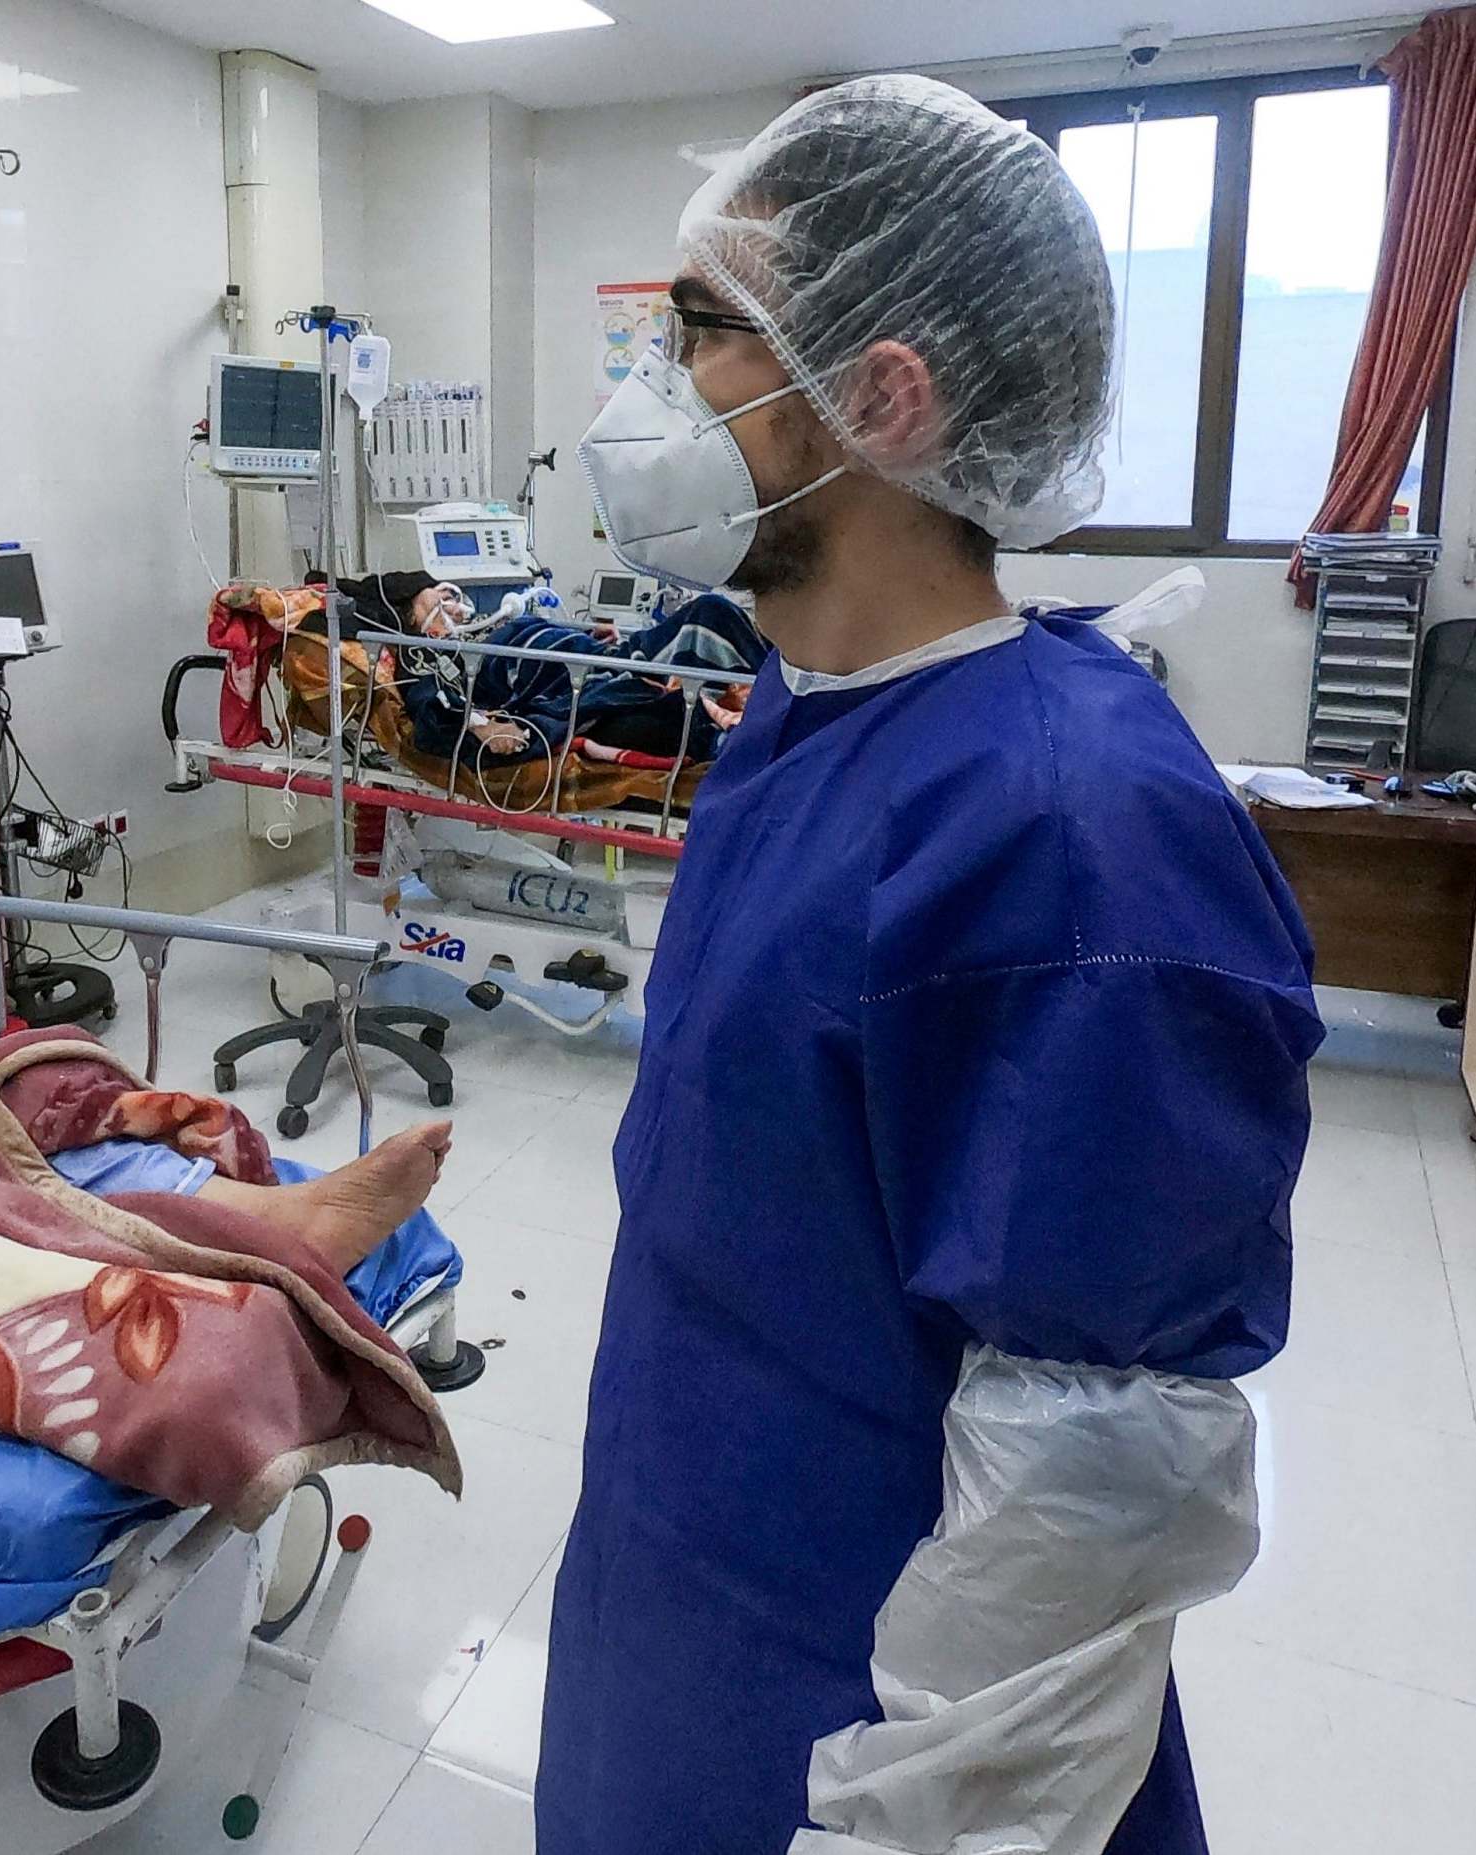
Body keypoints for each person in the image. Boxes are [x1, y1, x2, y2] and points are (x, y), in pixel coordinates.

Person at [543, 75, 1321, 1855]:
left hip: (862, 1721)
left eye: (694, 342)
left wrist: (921, 1826)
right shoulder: (797, 713)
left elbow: (1094, 1480)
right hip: (681, 1570)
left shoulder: (1065, 833)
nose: (640, 402)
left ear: (879, 397)